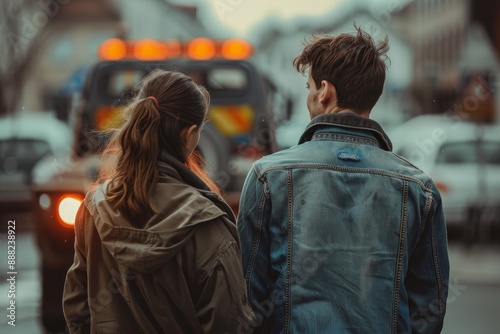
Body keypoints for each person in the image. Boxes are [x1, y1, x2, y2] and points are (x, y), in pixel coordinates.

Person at [237, 26, 450, 333]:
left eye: (310, 86)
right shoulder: (420, 189)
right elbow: (429, 309)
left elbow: (248, 302)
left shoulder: (267, 177)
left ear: (325, 91)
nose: (310, 96)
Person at [63, 69, 256, 333]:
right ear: (189, 135)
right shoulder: (209, 224)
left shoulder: (93, 209)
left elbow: (77, 311)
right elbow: (231, 325)